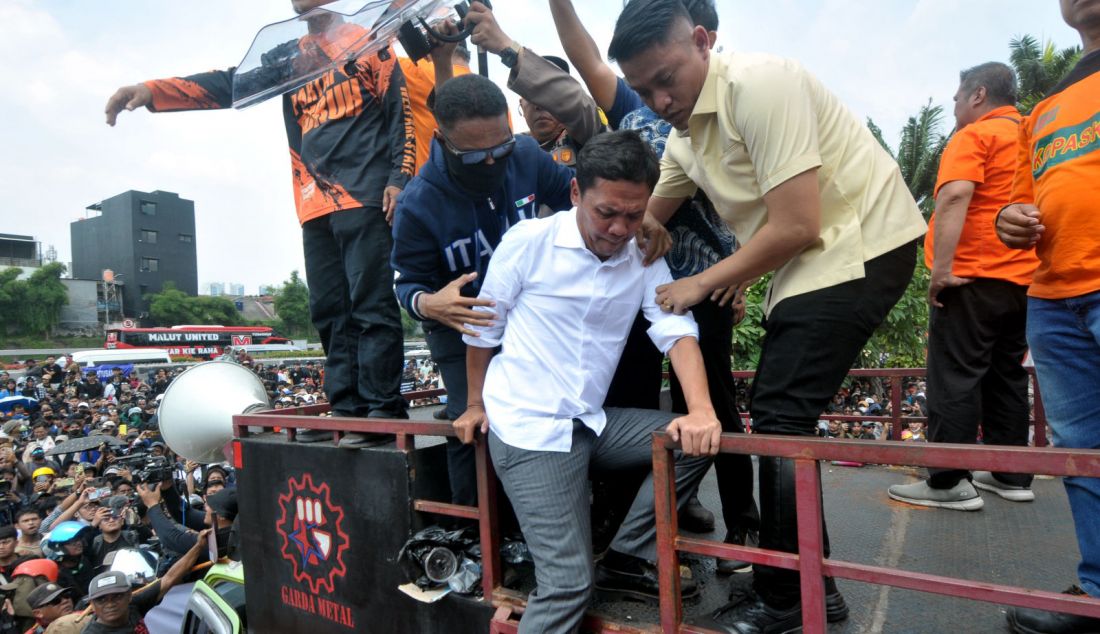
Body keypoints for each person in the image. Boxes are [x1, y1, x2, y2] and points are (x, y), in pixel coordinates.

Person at [608, 0, 928, 628]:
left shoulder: (760, 85)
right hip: (813, 263)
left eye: (665, 79)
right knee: (781, 417)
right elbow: (653, 213)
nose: (657, 100)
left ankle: (788, 598)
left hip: (862, 243)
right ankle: (810, 585)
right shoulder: (684, 136)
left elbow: (798, 223)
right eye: (642, 89)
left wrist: (698, 283)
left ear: (703, 41)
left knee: (781, 416)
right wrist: (624, 231)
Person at [103, 0, 416, 447]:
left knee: (371, 305)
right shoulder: (289, 56)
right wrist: (152, 91)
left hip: (365, 195)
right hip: (313, 201)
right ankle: (347, 407)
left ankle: (383, 409)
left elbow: (398, 113)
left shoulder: (369, 40)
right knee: (329, 310)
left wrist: (399, 178)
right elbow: (234, 84)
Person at [454, 131, 719, 633]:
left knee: (696, 441)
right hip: (530, 428)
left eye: (634, 214)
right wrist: (473, 402)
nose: (620, 228)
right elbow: (484, 328)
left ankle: (627, 554)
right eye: (606, 213)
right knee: (569, 584)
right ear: (576, 194)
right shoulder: (529, 243)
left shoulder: (642, 253)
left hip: (590, 422)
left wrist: (702, 410)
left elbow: (674, 329)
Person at [548, 0, 757, 554]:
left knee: (714, 403)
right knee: (634, 399)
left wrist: (745, 272)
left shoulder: (724, 107)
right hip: (638, 278)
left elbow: (758, 202)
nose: (660, 97)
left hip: (705, 279)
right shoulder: (633, 104)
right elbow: (584, 55)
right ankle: (635, 522)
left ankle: (744, 524)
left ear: (697, 36)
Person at [391, 73, 574, 506]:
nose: (493, 163)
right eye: (476, 157)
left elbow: (577, 199)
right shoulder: (417, 204)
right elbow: (407, 286)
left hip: (530, 320)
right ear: (444, 140)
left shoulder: (527, 156)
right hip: (459, 329)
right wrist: (429, 304)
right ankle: (476, 535)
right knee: (472, 423)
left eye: (501, 148)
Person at [887, 62, 1039, 512]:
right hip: (1023, 282)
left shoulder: (975, 135)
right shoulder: (1032, 134)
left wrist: (942, 270)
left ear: (978, 95)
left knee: (954, 375)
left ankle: (948, 481)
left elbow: (954, 195)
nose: (954, 105)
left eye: (956, 97)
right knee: (1006, 375)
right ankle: (1010, 474)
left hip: (972, 275)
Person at [995, 1, 1100, 631]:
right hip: (1054, 296)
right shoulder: (1046, 109)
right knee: (1082, 455)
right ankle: (1096, 591)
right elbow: (1019, 208)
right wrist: (1012, 222)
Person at [79, 533, 208, 634]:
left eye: (117, 596)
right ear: (92, 605)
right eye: (101, 600)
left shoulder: (134, 606)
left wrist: (198, 546)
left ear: (129, 596)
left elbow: (170, 578)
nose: (110, 604)